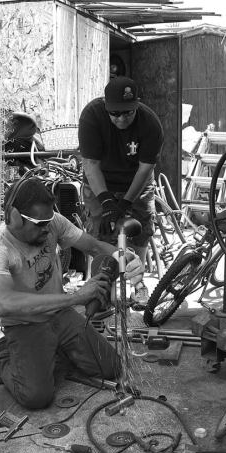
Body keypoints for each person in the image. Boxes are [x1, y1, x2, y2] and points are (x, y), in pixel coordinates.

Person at [0, 178, 144, 409]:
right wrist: (77, 297)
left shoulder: (51, 221)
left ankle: (49, 350)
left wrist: (127, 257)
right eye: (40, 223)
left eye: (49, 220)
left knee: (112, 368)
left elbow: (95, 247)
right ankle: (4, 357)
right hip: (25, 324)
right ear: (15, 216)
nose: (47, 228)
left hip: (59, 314)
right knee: (37, 397)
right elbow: (4, 303)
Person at [78, 76, 164, 304]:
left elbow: (146, 168)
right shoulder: (92, 116)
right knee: (99, 232)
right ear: (106, 107)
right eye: (115, 113)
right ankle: (100, 290)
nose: (121, 118)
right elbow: (91, 165)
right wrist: (106, 203)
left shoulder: (150, 123)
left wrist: (125, 203)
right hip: (100, 181)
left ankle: (138, 286)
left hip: (136, 180)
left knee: (141, 230)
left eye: (128, 112)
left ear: (136, 105)